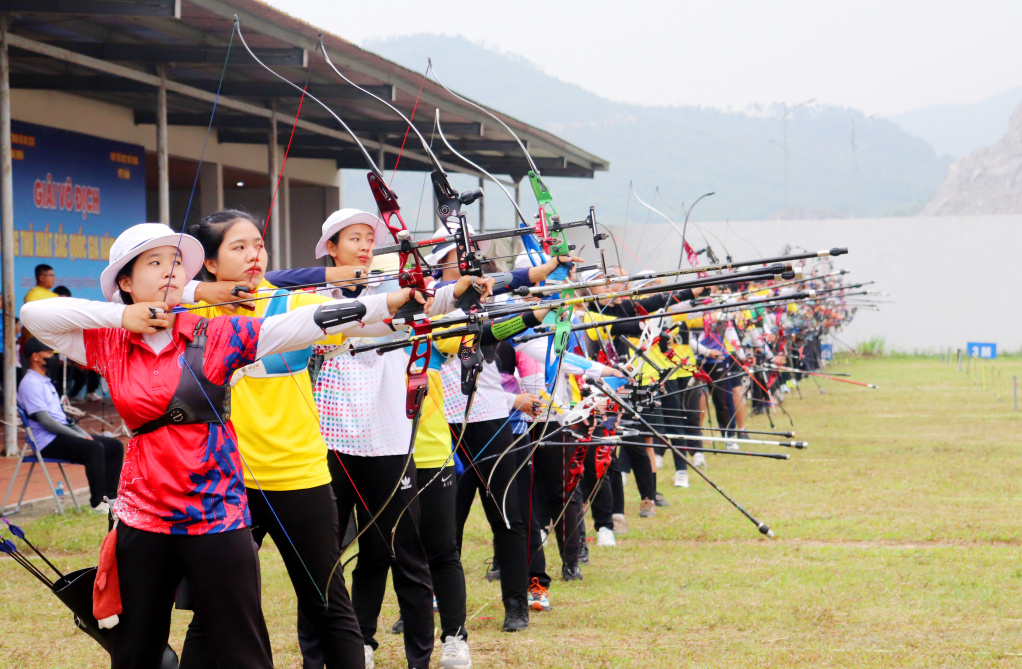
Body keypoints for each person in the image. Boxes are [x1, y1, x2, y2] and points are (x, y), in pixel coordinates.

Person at [20, 222, 413, 669]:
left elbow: (306, 321)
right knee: (135, 651)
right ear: (125, 282)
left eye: (174, 264)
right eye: (154, 263)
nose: (169, 272)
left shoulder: (214, 334)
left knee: (242, 650)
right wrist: (121, 316)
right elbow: (36, 318)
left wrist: (392, 300)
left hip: (216, 516)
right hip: (143, 517)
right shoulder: (110, 341)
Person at [177, 210, 373, 669]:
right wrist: (201, 293)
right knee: (212, 609)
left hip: (297, 474)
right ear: (209, 263)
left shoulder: (294, 303)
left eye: (258, 245)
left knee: (327, 602)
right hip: (225, 481)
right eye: (238, 248)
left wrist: (425, 298)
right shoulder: (189, 313)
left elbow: (372, 318)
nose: (253, 256)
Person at [16, 336, 123, 512]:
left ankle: (111, 498)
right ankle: (98, 503)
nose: (53, 357)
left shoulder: (45, 382)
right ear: (35, 356)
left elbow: (63, 420)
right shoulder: (30, 384)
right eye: (49, 353)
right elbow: (45, 421)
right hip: (47, 441)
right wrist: (77, 436)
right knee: (94, 448)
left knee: (114, 446)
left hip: (60, 435)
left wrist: (81, 433)